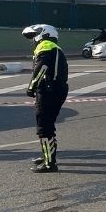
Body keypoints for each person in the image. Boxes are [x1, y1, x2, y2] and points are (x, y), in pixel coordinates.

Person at [23, 24, 69, 173]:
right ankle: (47, 156)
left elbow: (42, 67)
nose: (33, 39)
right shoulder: (53, 47)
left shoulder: (46, 45)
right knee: (48, 125)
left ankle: (50, 163)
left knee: (44, 127)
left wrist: (31, 87)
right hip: (56, 89)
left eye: (35, 35)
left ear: (44, 34)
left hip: (49, 90)